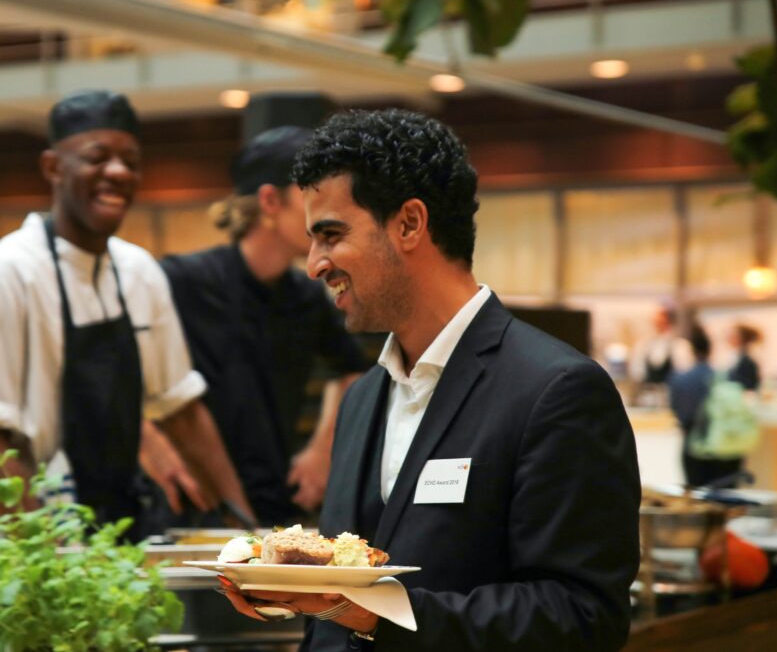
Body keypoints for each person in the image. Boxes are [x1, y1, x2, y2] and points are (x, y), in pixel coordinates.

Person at [219, 109, 641, 650]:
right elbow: (338, 599)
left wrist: (380, 616)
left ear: (410, 224)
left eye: (331, 235)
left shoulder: (556, 391)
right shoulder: (362, 399)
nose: (314, 265)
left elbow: (583, 618)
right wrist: (288, 596)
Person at [0, 89, 254, 585]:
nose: (118, 172)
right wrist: (54, 566)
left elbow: (180, 409)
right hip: (18, 563)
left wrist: (248, 533)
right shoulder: (4, 274)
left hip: (117, 547)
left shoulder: (139, 272)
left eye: (130, 161)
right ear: (52, 167)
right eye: (97, 157)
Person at [161, 126, 367, 525]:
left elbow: (352, 370)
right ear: (270, 201)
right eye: (311, 194)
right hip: (190, 504)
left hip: (274, 496)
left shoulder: (306, 295)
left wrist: (321, 452)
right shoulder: (182, 280)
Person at [670, 324, 742, 486]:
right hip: (725, 446)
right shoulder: (725, 376)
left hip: (693, 446)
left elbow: (678, 412)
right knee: (725, 495)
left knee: (697, 494)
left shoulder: (681, 379)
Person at [629, 305, 692, 387]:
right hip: (648, 392)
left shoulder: (680, 346)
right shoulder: (644, 346)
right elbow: (637, 374)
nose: (656, 323)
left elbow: (684, 376)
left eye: (660, 320)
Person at [726, 323, 762, 391]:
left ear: (741, 338)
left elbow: (750, 384)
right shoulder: (736, 356)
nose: (728, 338)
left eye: (733, 336)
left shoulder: (748, 359)